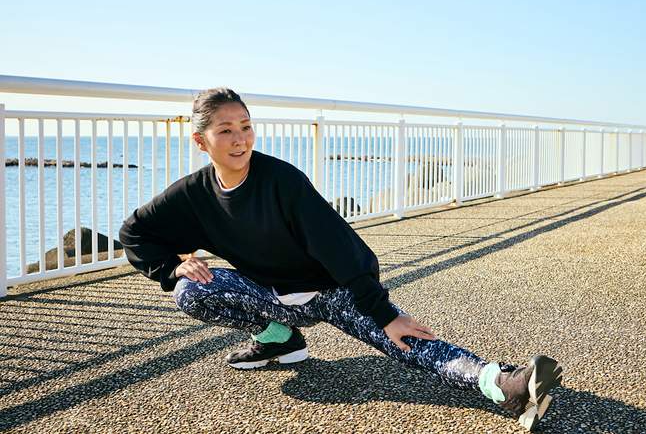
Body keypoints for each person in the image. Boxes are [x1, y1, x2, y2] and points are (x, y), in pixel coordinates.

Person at [119, 87, 562, 431]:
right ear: (201, 140)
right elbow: (134, 232)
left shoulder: (282, 181)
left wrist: (382, 311)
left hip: (331, 290)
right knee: (190, 290)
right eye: (226, 130)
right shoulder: (193, 194)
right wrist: (172, 265)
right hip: (269, 295)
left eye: (246, 126)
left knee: (402, 340)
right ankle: (279, 338)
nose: (240, 139)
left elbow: (339, 248)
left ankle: (502, 383)